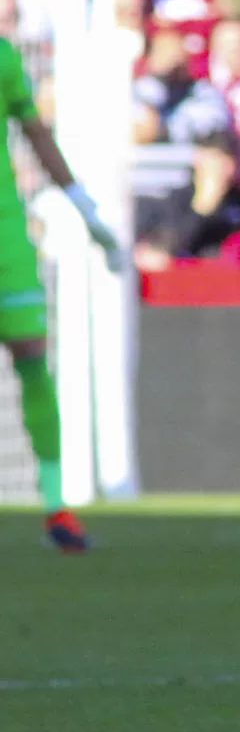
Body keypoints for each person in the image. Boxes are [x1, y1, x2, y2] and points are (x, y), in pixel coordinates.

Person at [0, 34, 124, 551]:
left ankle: (57, 507)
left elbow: (34, 131)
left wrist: (82, 205)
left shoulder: (4, 56)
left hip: (7, 238)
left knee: (32, 357)